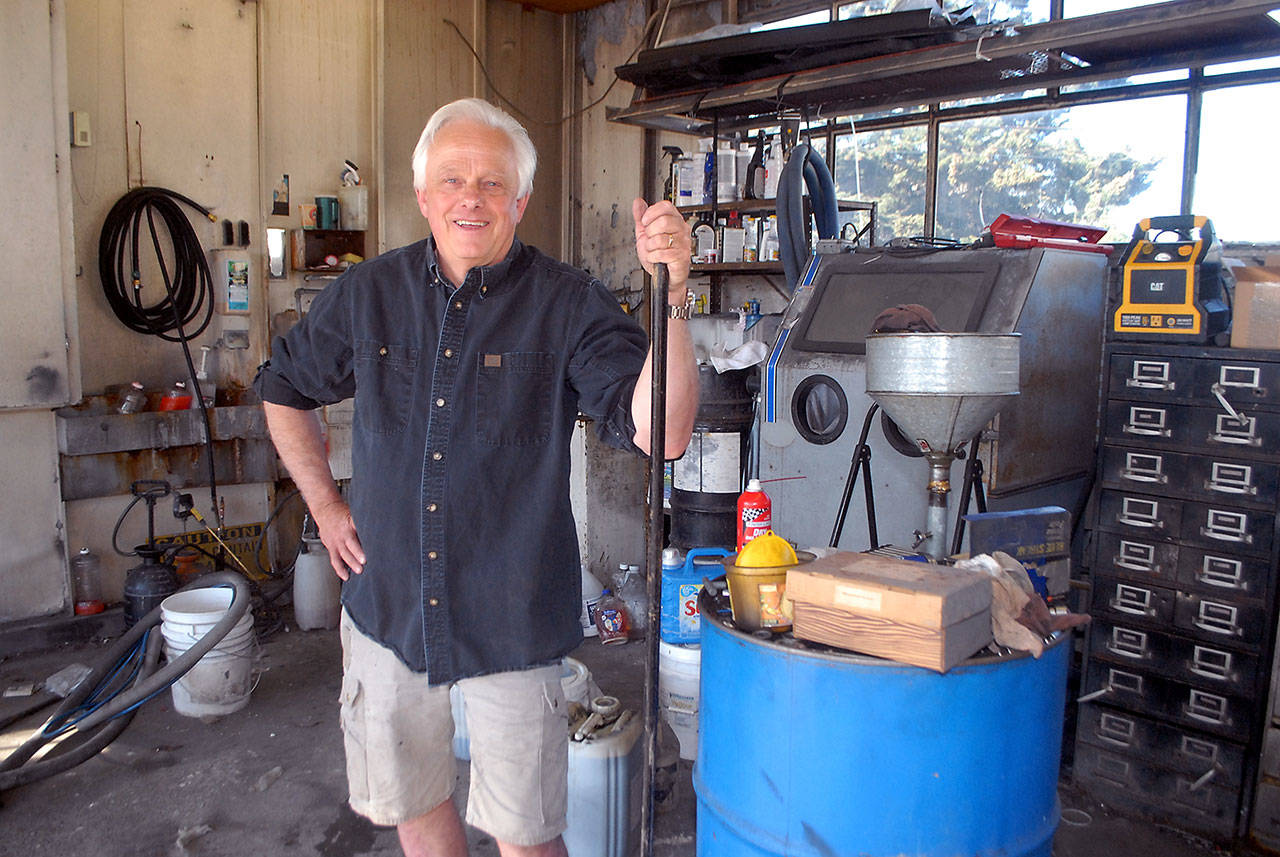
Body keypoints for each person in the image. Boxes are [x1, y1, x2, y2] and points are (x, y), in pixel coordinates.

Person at [253, 97, 698, 857]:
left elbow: (665, 431)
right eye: (452, 179)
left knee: (526, 835)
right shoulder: (369, 295)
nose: (471, 197)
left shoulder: (568, 304)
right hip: (388, 611)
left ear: (520, 202)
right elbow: (281, 388)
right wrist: (324, 506)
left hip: (511, 619)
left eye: (493, 184)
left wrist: (674, 298)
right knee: (416, 809)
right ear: (423, 195)